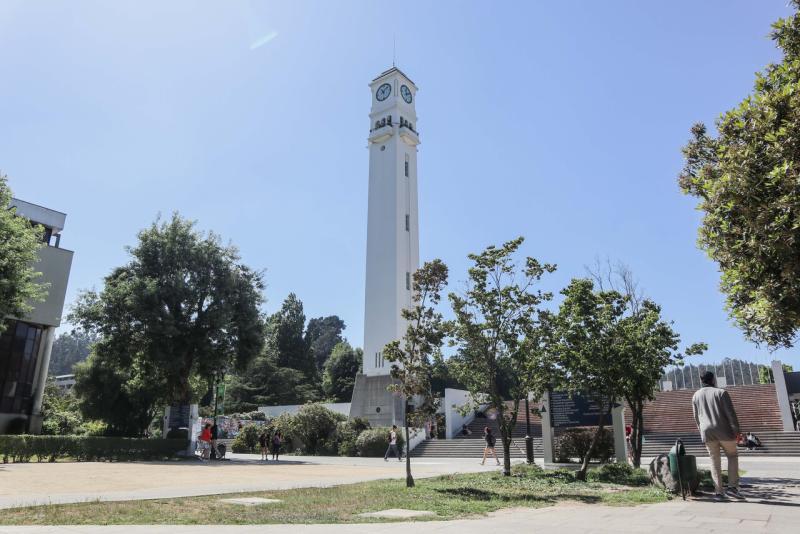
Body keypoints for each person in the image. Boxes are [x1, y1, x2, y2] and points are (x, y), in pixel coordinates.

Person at [692, 371, 742, 501]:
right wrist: (737, 431)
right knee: (732, 456)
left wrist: (702, 431)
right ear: (713, 379)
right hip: (724, 430)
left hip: (707, 433)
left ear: (701, 380)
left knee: (714, 461)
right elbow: (730, 414)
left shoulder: (696, 395)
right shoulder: (721, 393)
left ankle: (718, 492)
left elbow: (696, 417)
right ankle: (732, 488)